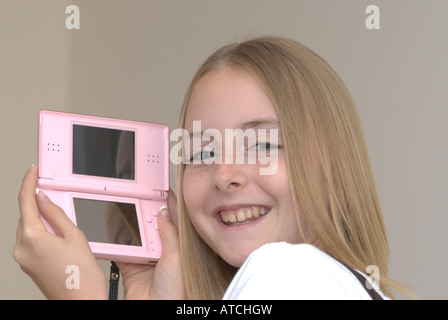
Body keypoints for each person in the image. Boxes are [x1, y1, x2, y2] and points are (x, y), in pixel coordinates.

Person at [14, 36, 401, 299]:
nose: (224, 175)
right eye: (201, 153)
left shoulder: (287, 273)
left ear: (334, 164)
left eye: (263, 145)